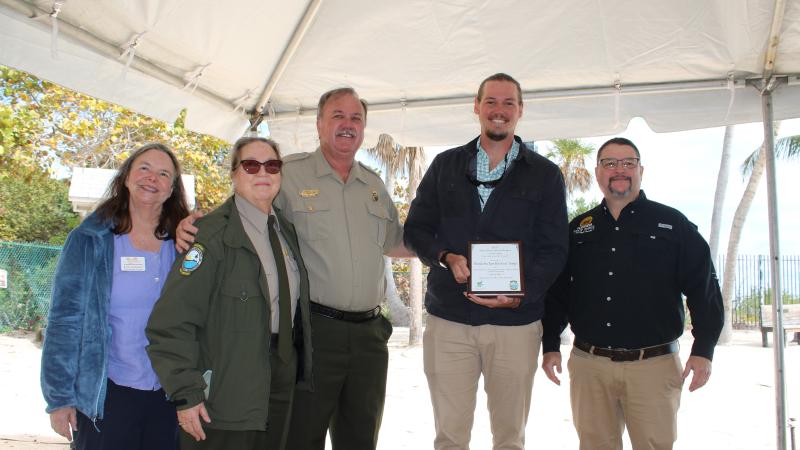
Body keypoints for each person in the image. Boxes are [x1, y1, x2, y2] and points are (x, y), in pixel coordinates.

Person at [175, 87, 408, 450]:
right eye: (338, 116)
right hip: (315, 332)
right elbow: (244, 210)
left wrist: (450, 248)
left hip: (369, 337)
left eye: (356, 118)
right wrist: (191, 226)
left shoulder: (374, 186)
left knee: (362, 437)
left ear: (364, 128)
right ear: (319, 123)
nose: (348, 125)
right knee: (302, 435)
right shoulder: (292, 174)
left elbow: (396, 241)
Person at [403, 73, 569, 450]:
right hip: (449, 322)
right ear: (476, 107)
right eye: (491, 102)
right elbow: (416, 230)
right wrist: (444, 257)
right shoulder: (445, 165)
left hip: (515, 326)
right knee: (449, 437)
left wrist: (520, 296)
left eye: (508, 103)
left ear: (520, 111)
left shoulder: (544, 175)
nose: (499, 110)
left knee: (510, 438)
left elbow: (554, 249)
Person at [541, 137, 724, 450]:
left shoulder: (672, 224)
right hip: (590, 365)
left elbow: (703, 289)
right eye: (610, 163)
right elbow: (558, 293)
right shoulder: (578, 229)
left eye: (628, 162)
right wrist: (550, 344)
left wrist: (703, 349)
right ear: (597, 172)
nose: (619, 170)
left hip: (653, 368)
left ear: (641, 170)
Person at [145, 137, 313, 450]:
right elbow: (171, 323)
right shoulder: (209, 235)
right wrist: (186, 393)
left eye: (272, 165)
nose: (262, 172)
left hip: (277, 387)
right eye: (251, 165)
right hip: (225, 394)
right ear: (234, 174)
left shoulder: (285, 231)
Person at [40, 143, 189, 450]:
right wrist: (59, 398)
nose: (152, 178)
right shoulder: (89, 240)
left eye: (163, 174)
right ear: (125, 177)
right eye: (144, 168)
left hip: (168, 395)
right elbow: (64, 321)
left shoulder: (185, 245)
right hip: (107, 394)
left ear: (172, 188)